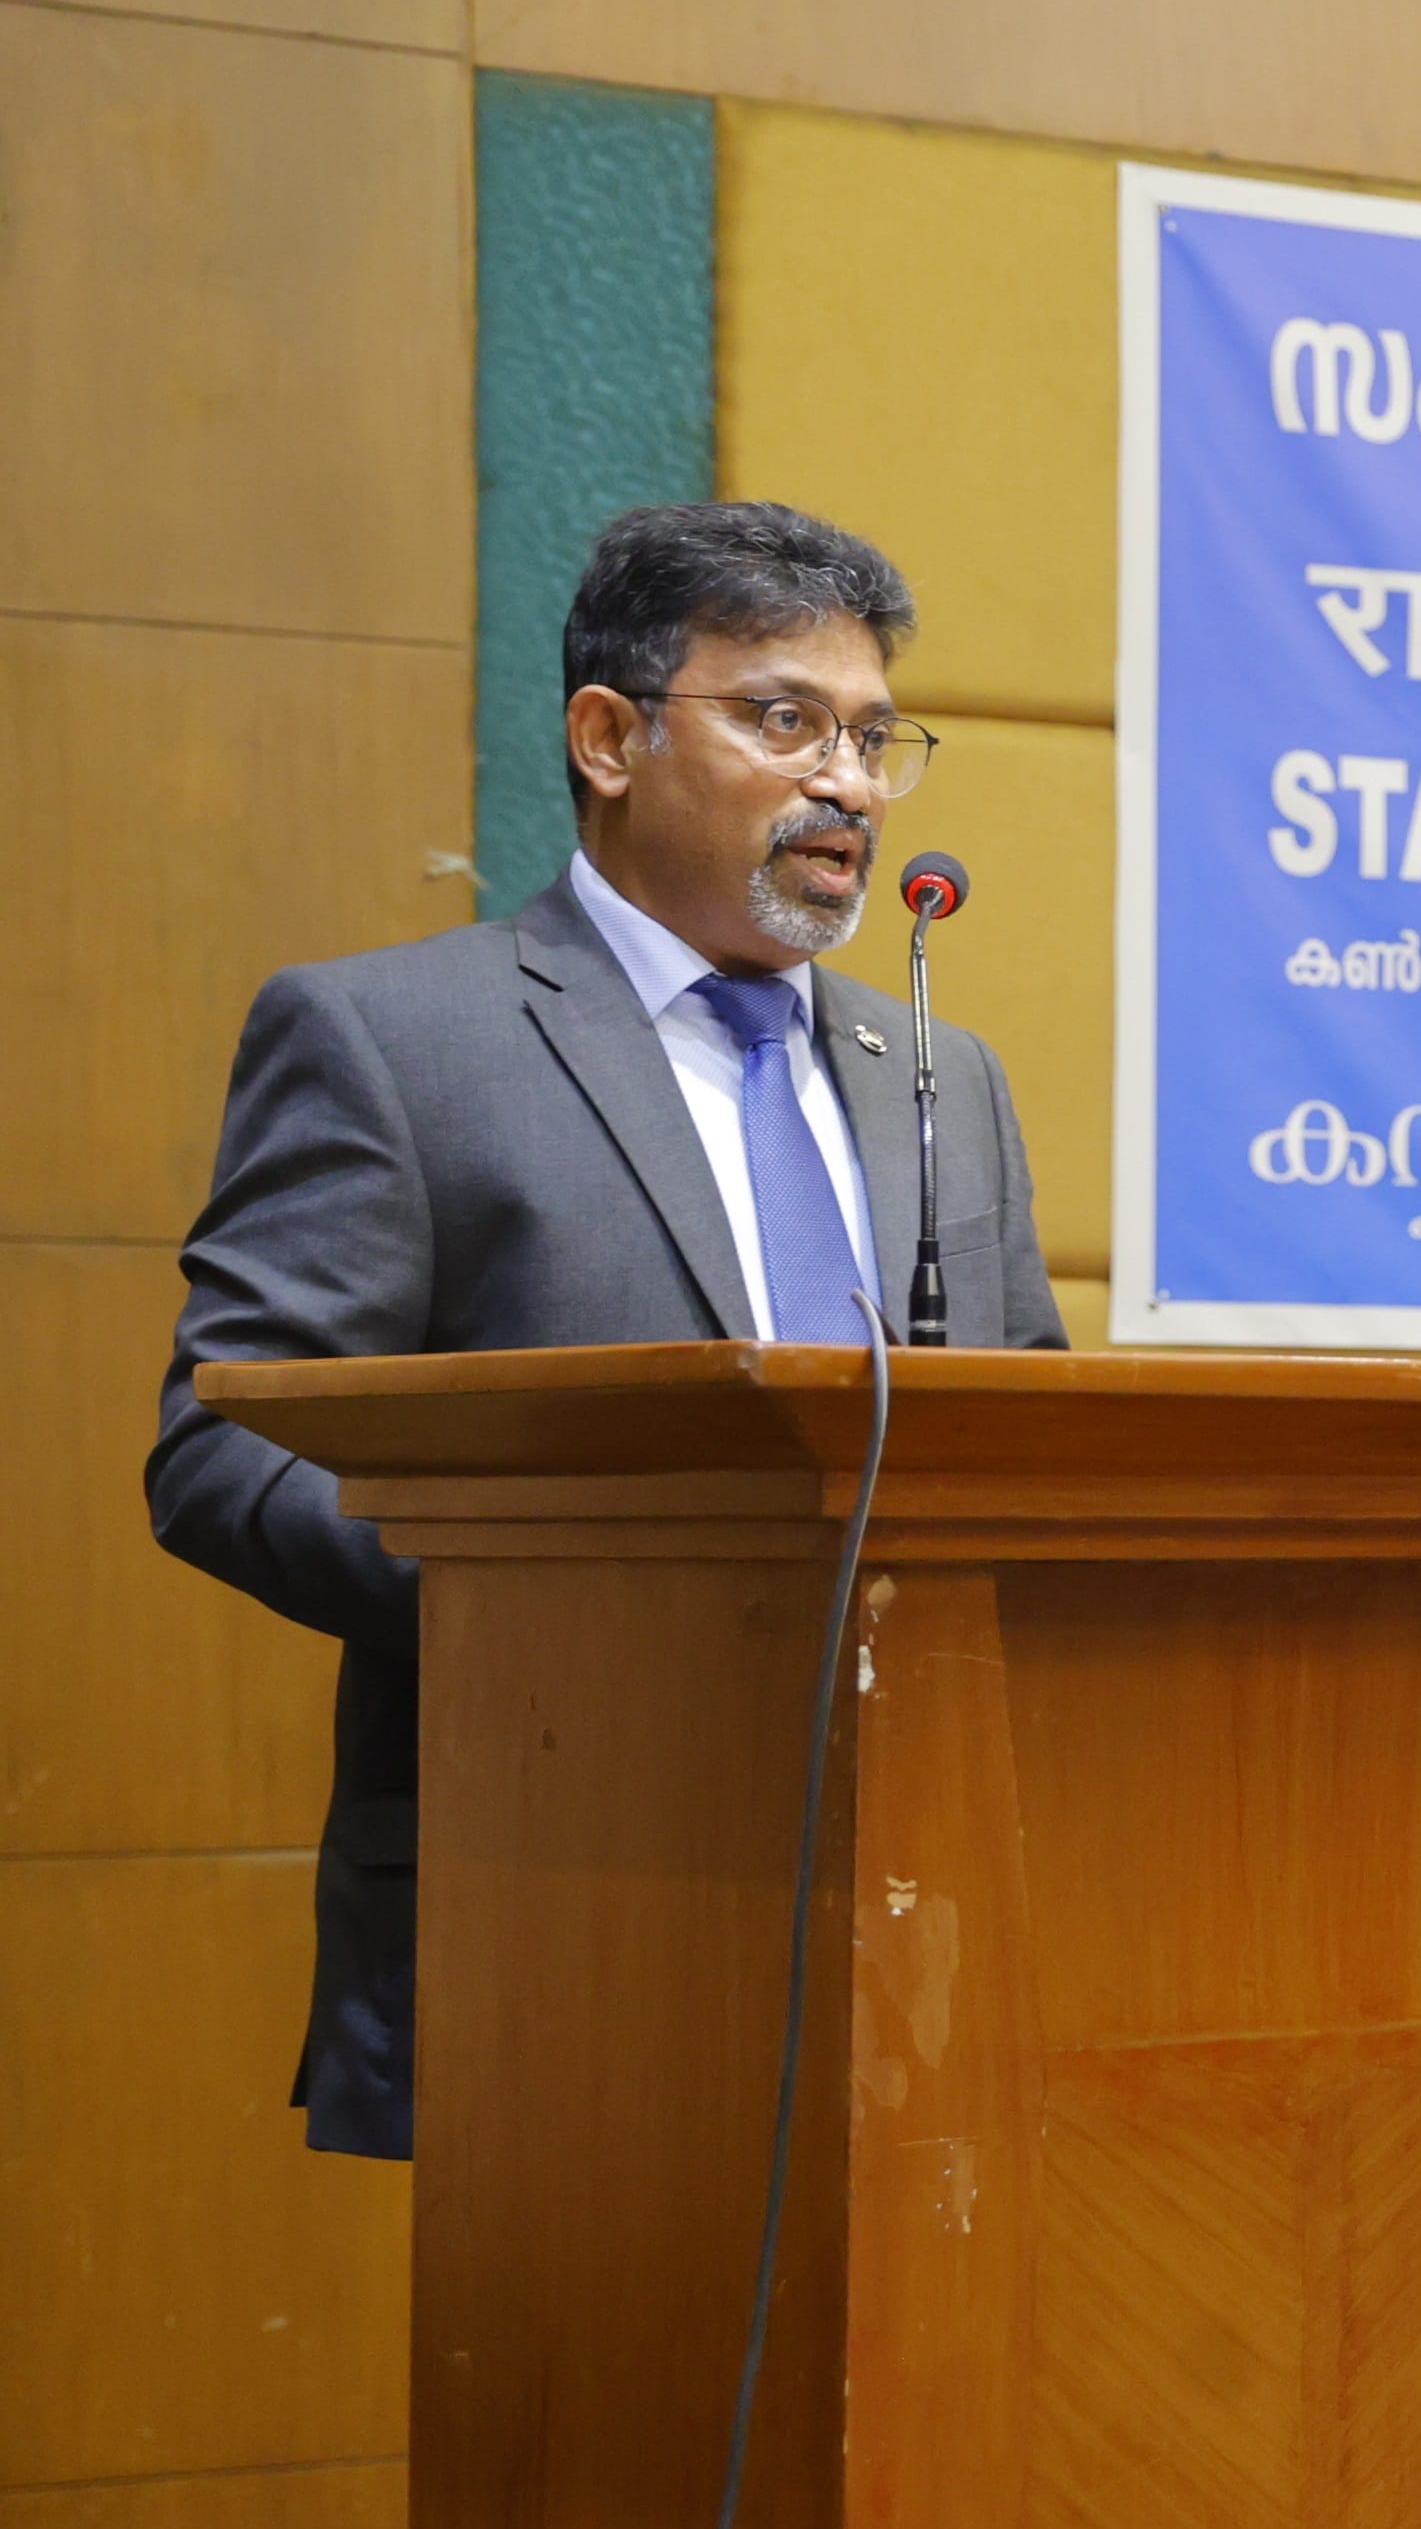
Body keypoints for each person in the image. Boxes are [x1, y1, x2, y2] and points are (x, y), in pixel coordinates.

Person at [145, 504, 1069, 2161]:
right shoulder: (399, 1038)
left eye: (873, 738)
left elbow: (1035, 1440)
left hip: (927, 1901)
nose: (850, 784)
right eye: (785, 720)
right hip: (556, 1879)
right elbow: (229, 1449)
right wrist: (586, 1609)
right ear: (608, 736)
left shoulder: (940, 1073)